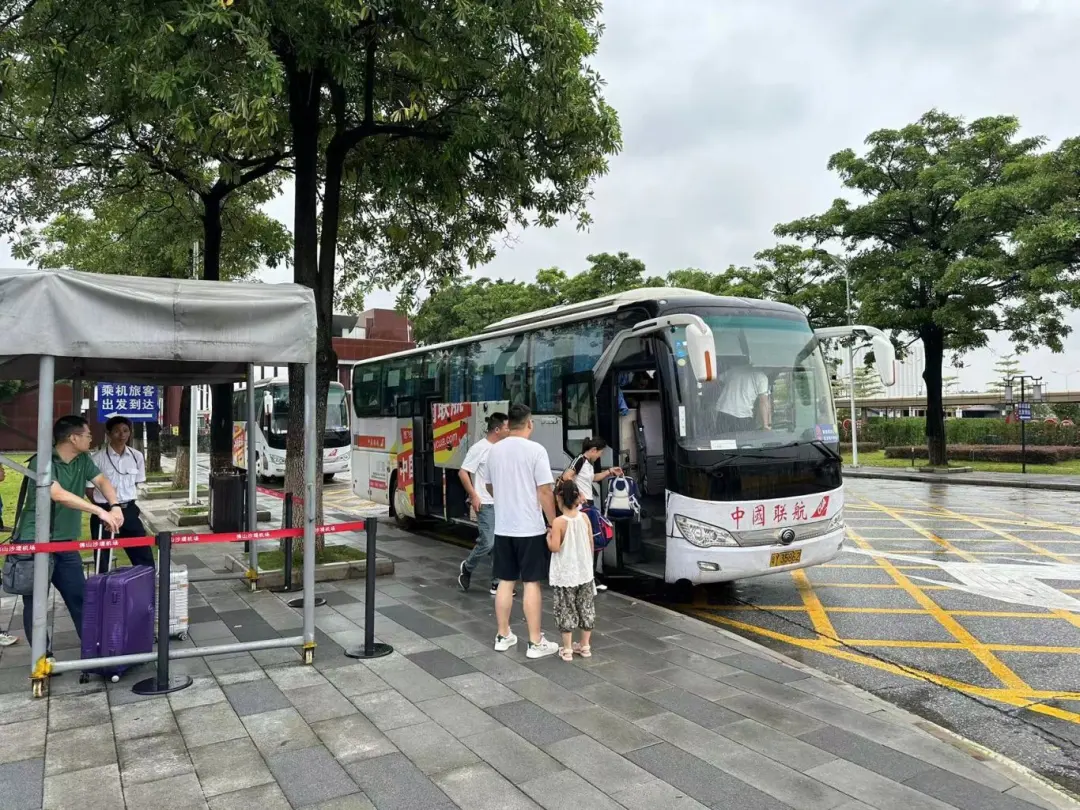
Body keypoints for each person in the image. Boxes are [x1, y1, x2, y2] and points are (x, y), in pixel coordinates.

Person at [17, 416, 124, 648]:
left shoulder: (83, 459)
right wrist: (99, 511)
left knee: (80, 597)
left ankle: (95, 649)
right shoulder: (42, 461)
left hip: (65, 543)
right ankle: (42, 657)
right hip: (35, 542)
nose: (91, 439)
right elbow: (57, 494)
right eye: (87, 435)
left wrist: (115, 506)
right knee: (35, 603)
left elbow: (102, 481)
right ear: (73, 438)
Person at [485, 403, 558, 659]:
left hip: (504, 527)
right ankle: (535, 642)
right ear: (529, 423)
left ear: (508, 424)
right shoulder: (536, 450)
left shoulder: (494, 451)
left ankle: (503, 635)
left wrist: (505, 499)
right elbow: (545, 491)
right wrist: (553, 523)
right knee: (530, 583)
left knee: (505, 581)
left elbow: (490, 487)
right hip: (530, 528)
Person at [88, 416, 154, 572]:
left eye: (125, 431)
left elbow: (136, 482)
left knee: (142, 553)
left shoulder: (137, 456)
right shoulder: (97, 458)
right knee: (103, 557)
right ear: (108, 433)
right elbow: (89, 488)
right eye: (117, 431)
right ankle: (103, 583)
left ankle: (147, 580)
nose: (122, 435)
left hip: (129, 510)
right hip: (105, 512)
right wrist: (103, 509)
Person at [561, 437, 622, 592]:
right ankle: (588, 578)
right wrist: (579, 494)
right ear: (594, 450)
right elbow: (567, 476)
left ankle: (590, 576)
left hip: (589, 505)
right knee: (591, 540)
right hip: (583, 507)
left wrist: (609, 472)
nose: (600, 456)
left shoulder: (587, 464)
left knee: (593, 541)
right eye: (600, 453)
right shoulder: (579, 460)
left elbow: (592, 478)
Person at [457, 412, 508, 595]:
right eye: (506, 427)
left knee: (499, 543)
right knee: (488, 543)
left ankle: (497, 583)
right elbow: (463, 472)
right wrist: (474, 495)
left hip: (501, 502)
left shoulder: (502, 448)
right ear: (497, 429)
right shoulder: (479, 448)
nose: (509, 430)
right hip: (485, 503)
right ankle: (468, 567)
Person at [548, 479, 596, 662]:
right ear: (577, 497)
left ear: (559, 498)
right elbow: (591, 542)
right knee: (586, 607)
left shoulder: (558, 522)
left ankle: (567, 649)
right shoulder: (584, 518)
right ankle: (585, 646)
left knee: (566, 608)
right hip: (584, 572)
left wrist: (548, 537)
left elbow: (554, 547)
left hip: (566, 574)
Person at [715, 362, 771, 432]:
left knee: (722, 438)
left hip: (724, 414)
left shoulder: (735, 370)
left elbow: (716, 380)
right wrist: (765, 425)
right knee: (743, 439)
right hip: (743, 417)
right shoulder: (762, 377)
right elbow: (763, 402)